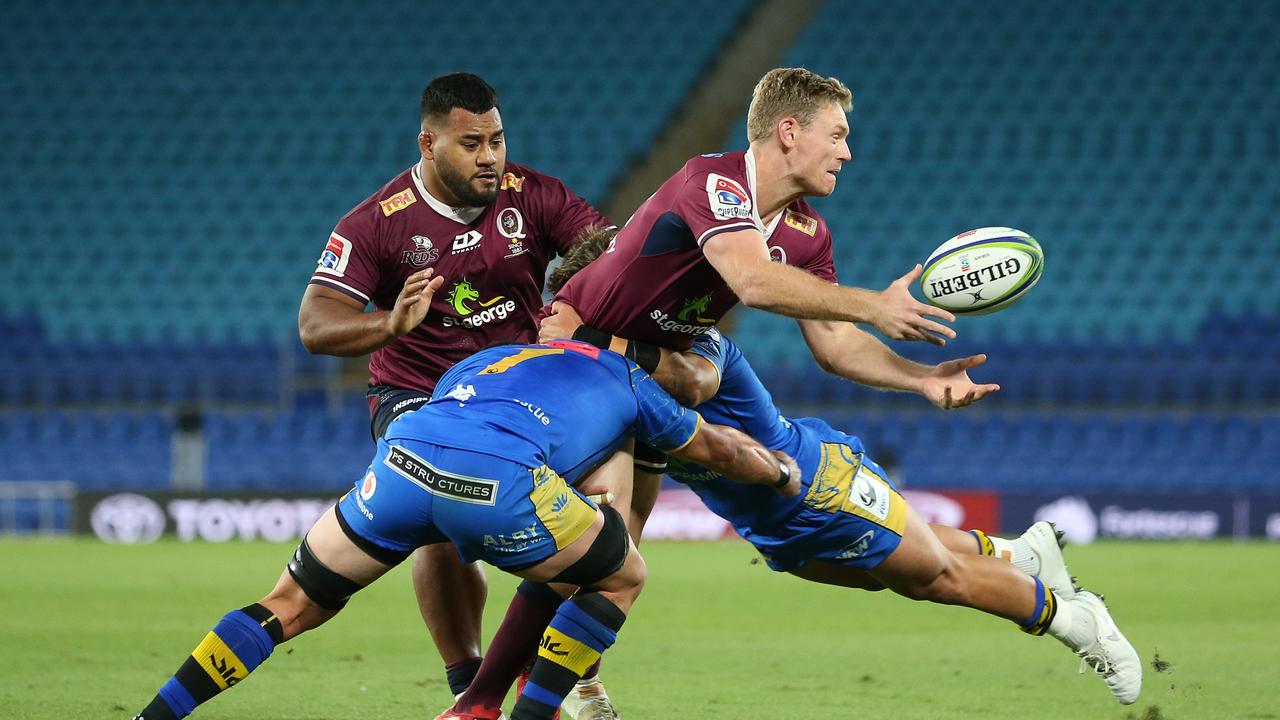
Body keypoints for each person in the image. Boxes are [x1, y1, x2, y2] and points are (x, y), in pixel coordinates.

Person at [526, 67, 997, 718]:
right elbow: (749, 281)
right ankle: (524, 692)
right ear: (788, 132)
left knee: (618, 552)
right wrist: (872, 305)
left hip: (662, 372)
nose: (847, 151)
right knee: (601, 547)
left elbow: (833, 346)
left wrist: (922, 379)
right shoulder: (711, 183)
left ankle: (565, 684)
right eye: (836, 135)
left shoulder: (809, 235)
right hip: (585, 356)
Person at [131, 340, 802, 720]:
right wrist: (778, 475)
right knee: (620, 570)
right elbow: (715, 448)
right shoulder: (629, 376)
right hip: (498, 483)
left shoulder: (499, 354)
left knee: (286, 604)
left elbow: (449, 404)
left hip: (403, 456)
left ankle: (154, 717)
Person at [296, 71, 613, 700]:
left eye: (496, 140)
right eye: (472, 144)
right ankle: (468, 683)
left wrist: (576, 303)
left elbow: (609, 252)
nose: (491, 157)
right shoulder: (377, 223)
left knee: (585, 516)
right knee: (438, 519)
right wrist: (390, 322)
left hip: (520, 394)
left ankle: (568, 680)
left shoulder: (535, 196)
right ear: (428, 144)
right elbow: (315, 323)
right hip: (418, 393)